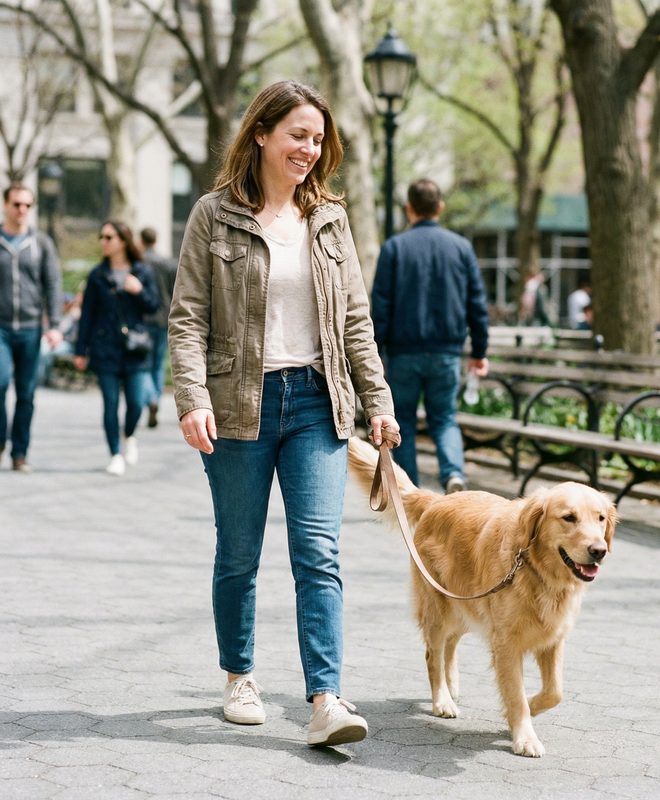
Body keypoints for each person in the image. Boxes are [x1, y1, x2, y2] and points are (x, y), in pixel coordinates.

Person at [167, 80, 398, 748]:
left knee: (318, 553)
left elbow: (356, 321)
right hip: (239, 405)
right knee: (239, 554)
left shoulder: (329, 218)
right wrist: (192, 399)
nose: (310, 148)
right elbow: (187, 317)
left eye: (319, 138)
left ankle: (325, 698)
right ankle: (239, 674)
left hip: (316, 405)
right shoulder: (215, 215)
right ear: (261, 133)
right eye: (298, 134)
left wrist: (377, 403)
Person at [372, 178, 488, 493]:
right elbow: (476, 303)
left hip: (402, 354)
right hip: (446, 353)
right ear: (440, 208)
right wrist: (479, 351)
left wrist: (376, 354)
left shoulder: (394, 248)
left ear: (409, 208)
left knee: (404, 421)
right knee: (445, 419)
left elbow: (380, 306)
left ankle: (411, 489)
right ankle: (453, 475)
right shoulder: (461, 248)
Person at [0, 183, 63, 472]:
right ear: (6, 205)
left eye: (27, 205)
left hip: (30, 328)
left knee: (27, 393)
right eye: (17, 204)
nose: (22, 210)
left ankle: (19, 451)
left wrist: (54, 325)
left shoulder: (41, 243)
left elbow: (53, 285)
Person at [74, 221, 159, 476]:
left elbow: (154, 306)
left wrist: (139, 291)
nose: (103, 241)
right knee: (110, 403)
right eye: (101, 236)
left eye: (108, 237)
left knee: (135, 402)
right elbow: (87, 314)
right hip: (104, 346)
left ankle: (129, 434)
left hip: (134, 348)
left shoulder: (142, 272)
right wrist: (80, 350)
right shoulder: (97, 275)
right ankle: (114, 454)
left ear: (123, 241)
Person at [138, 227, 177, 428]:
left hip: (143, 320)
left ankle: (151, 399)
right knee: (158, 363)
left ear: (141, 240)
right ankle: (156, 400)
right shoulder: (168, 264)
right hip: (164, 318)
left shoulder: (139, 262)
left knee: (142, 363)